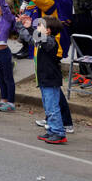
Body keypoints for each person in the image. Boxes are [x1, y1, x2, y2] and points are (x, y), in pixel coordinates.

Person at [33, 16, 67, 144]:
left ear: (48, 30)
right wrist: (23, 26)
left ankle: (58, 132)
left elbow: (43, 40)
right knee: (48, 108)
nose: (37, 27)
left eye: (40, 25)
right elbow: (28, 37)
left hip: (51, 79)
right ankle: (52, 130)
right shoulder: (42, 40)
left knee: (52, 107)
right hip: (44, 79)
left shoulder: (51, 42)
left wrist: (36, 31)